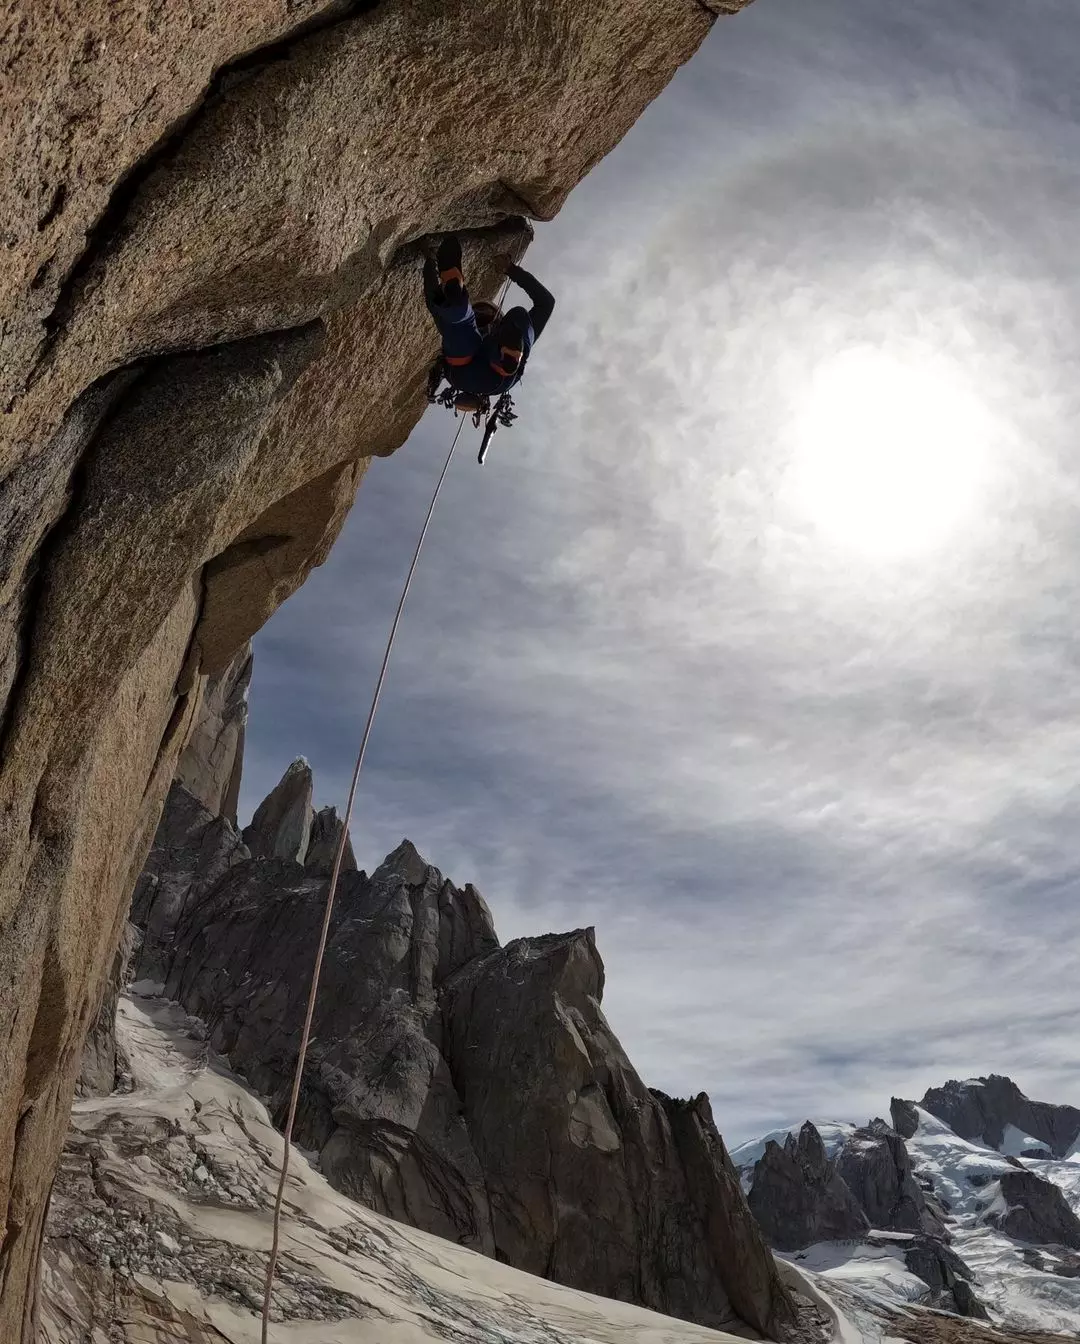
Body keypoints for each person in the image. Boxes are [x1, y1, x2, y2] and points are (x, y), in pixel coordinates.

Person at [423, 234, 555, 403]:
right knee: (459, 321)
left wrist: (511, 270)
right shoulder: (480, 336)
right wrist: (429, 264)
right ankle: (508, 357)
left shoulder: (480, 334)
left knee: (463, 322)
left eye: (483, 317)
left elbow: (546, 303)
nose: (486, 323)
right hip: (477, 373)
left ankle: (508, 356)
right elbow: (546, 303)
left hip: (472, 370)